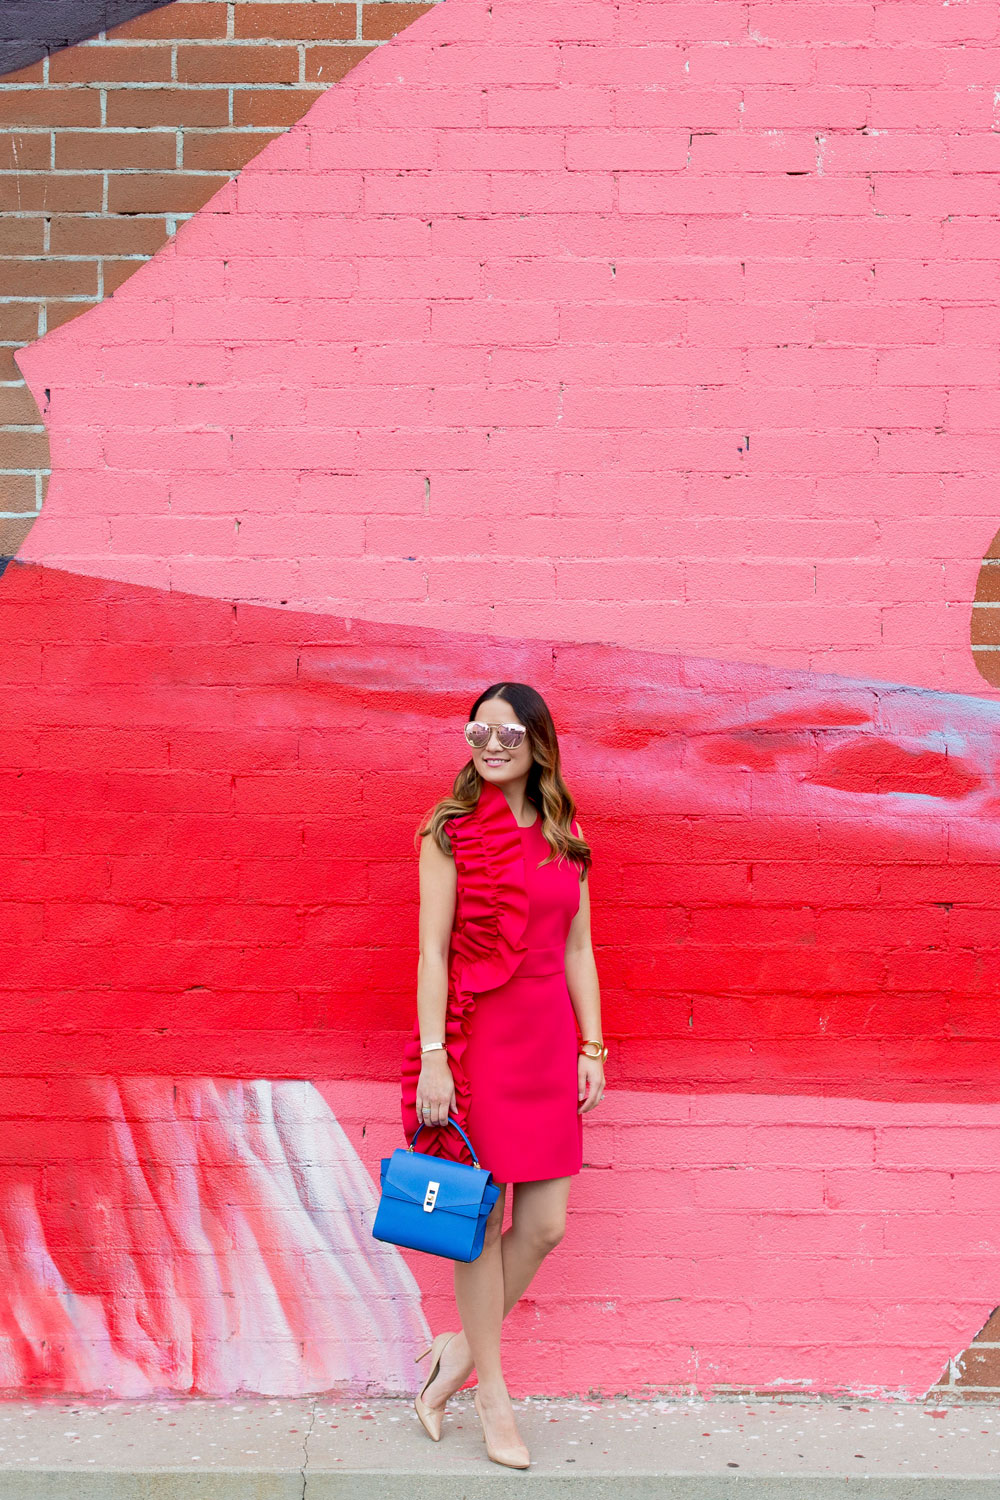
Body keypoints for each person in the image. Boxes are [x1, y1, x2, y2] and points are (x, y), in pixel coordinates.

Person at [399, 682, 607, 1469]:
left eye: (508, 732)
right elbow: (432, 954)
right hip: (477, 1045)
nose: (491, 744)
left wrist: (594, 1047)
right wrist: (431, 1059)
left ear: (538, 743)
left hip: (550, 1044)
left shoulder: (565, 831)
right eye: (478, 731)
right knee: (479, 1223)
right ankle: (490, 1394)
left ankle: (453, 1356)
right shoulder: (448, 833)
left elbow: (581, 950)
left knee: (544, 1223)